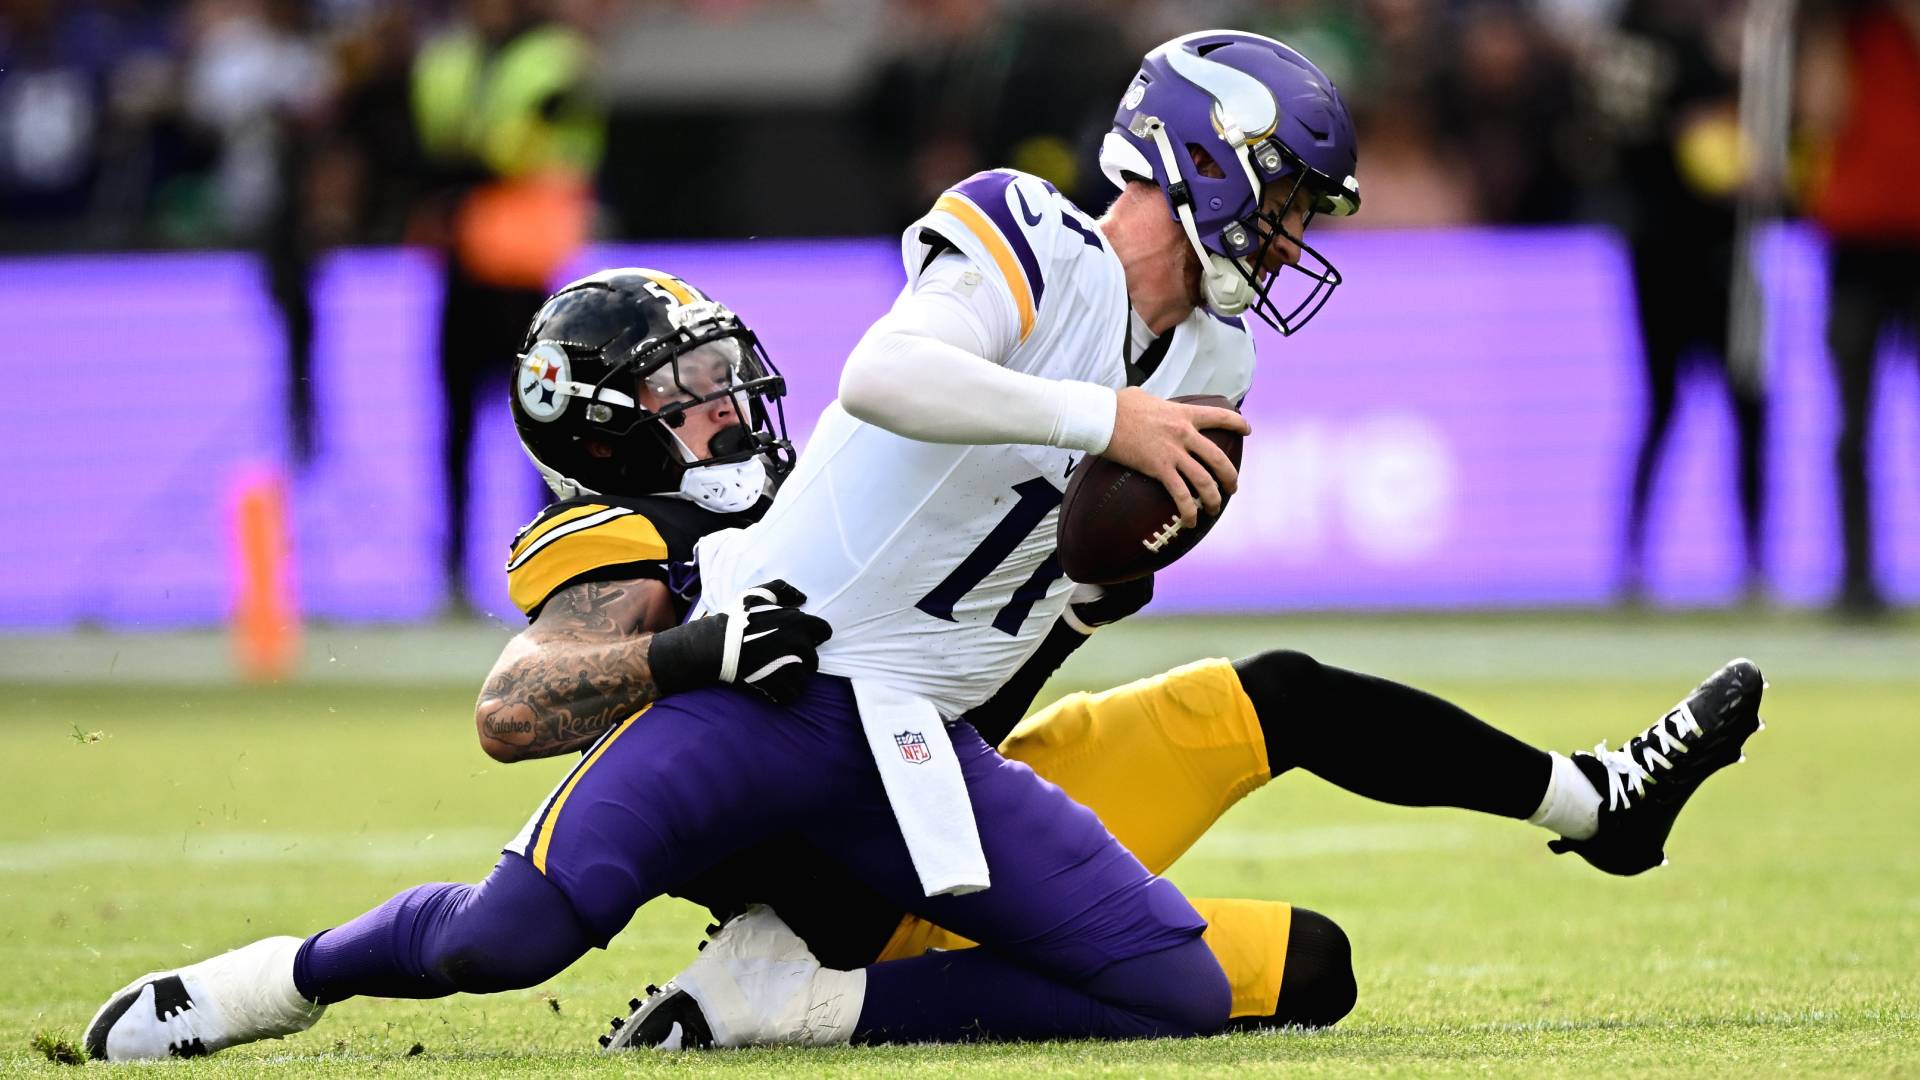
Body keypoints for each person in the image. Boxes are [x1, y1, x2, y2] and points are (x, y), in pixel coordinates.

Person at [84, 30, 1354, 1057]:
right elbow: (887, 372)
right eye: (1288, 194)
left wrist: (1093, 589)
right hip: (772, 684)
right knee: (500, 944)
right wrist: (1103, 415)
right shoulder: (1023, 223)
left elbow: (1050, 575)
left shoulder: (1215, 356)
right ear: (1203, 156)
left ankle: (804, 1006)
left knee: (1177, 989)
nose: (1296, 235)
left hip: (915, 739)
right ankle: (269, 983)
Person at [1799, 0, 1920, 616]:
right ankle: (1857, 579)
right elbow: (1823, 112)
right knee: (1852, 420)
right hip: (1858, 240)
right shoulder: (1839, 29)